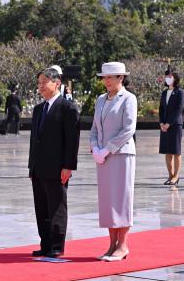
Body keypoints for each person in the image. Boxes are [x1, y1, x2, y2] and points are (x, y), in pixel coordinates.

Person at [28, 67, 80, 258]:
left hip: (57, 167)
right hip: (38, 167)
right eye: (39, 83)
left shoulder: (68, 108)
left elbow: (72, 140)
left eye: (44, 82)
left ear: (56, 83)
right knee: (41, 207)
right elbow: (35, 140)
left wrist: (68, 166)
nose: (41, 86)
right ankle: (45, 243)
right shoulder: (38, 109)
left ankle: (57, 246)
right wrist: (31, 166)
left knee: (56, 206)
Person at [90, 62, 137, 262]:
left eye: (111, 77)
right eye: (105, 77)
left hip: (121, 154)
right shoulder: (100, 100)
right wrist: (95, 148)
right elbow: (94, 128)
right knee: (108, 201)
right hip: (102, 156)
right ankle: (111, 245)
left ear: (121, 78)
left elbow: (128, 129)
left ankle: (123, 245)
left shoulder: (128, 98)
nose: (107, 80)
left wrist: (107, 149)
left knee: (121, 199)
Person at [159, 69, 184, 185]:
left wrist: (169, 123)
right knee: (167, 151)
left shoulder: (180, 92)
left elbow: (178, 109)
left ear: (175, 78)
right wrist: (161, 123)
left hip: (175, 125)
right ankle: (170, 175)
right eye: (166, 77)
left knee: (176, 151)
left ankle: (176, 176)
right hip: (164, 126)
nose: (167, 78)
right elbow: (161, 108)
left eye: (170, 77)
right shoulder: (164, 92)